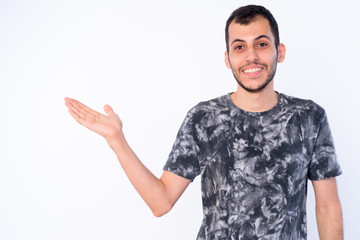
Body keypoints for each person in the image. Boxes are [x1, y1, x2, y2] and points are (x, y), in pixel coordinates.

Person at [64, 5, 343, 240]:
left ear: (279, 51)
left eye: (261, 44)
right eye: (239, 47)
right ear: (227, 58)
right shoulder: (204, 119)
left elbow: (327, 206)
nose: (251, 56)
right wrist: (117, 140)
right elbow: (161, 202)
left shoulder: (309, 117)